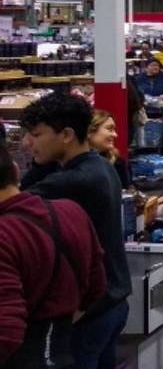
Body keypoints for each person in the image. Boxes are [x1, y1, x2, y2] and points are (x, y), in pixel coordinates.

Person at [18, 93, 131, 369]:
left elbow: (14, 202)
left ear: (66, 135)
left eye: (36, 134)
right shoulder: (100, 165)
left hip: (87, 311)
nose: (27, 142)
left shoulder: (73, 181)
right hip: (112, 302)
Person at [0, 141, 107, 368]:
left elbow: (6, 330)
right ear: (16, 170)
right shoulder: (71, 211)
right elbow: (96, 286)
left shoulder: (5, 234)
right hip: (61, 353)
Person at [88, 110, 130, 189]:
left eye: (114, 130)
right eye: (110, 129)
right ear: (90, 131)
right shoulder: (75, 163)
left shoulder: (118, 163)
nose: (115, 135)